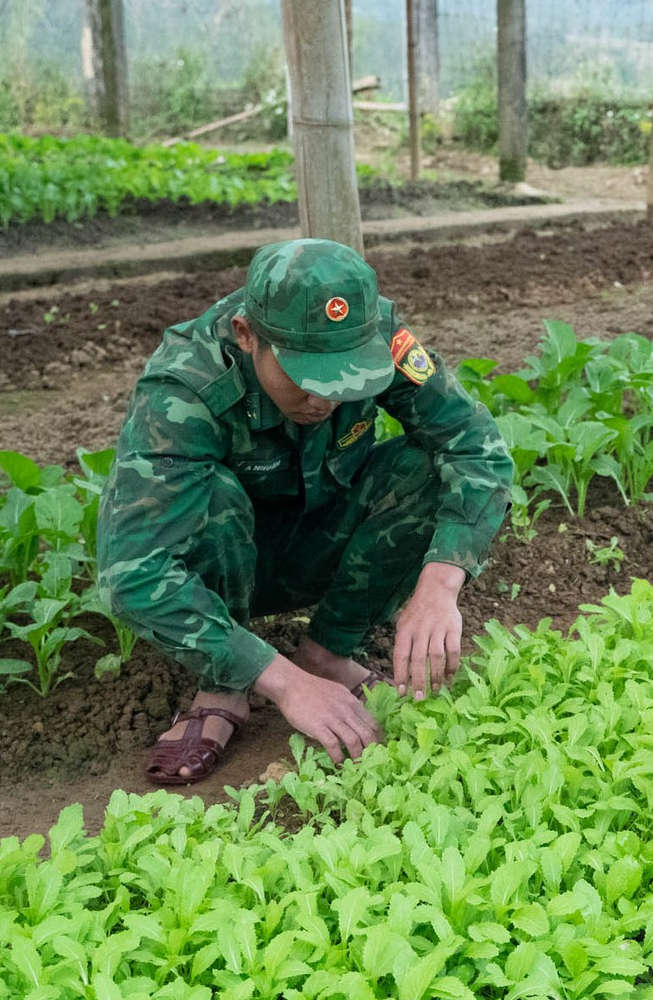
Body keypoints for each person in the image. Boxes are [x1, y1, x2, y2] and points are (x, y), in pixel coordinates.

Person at [97, 237, 514, 787]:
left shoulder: (381, 337)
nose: (327, 399)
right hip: (229, 562)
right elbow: (132, 572)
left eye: (348, 376)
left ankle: (327, 653)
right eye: (307, 375)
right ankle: (226, 686)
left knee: (422, 468)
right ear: (248, 336)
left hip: (323, 535)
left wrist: (440, 585)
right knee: (213, 497)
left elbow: (475, 446)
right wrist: (283, 683)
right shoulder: (186, 384)